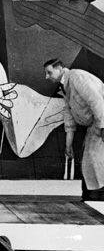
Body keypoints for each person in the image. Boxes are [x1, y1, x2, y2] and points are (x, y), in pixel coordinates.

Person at [44, 59, 104, 201]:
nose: (46, 77)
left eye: (49, 72)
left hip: (101, 120)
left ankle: (97, 196)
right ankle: (93, 196)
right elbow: (69, 115)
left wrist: (103, 126)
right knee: (89, 160)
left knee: (94, 158)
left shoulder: (78, 77)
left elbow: (97, 101)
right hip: (95, 123)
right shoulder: (65, 86)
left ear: (60, 69)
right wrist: (68, 144)